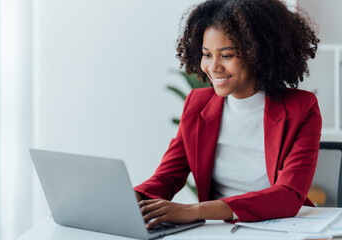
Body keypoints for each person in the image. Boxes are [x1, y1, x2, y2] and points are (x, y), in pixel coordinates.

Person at [134, 0, 322, 229]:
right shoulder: (197, 104)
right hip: (219, 231)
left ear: (258, 54)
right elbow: (167, 177)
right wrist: (131, 199)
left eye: (226, 55)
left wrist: (194, 211)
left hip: (280, 228)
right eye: (206, 54)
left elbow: (288, 195)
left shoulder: (301, 107)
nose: (213, 67)